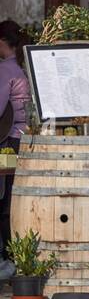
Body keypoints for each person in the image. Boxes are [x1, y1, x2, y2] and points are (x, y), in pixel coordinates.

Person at [0, 20, 30, 274]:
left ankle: (9, 258)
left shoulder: (5, 70)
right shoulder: (22, 67)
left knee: (6, 200)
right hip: (24, 138)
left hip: (9, 142)